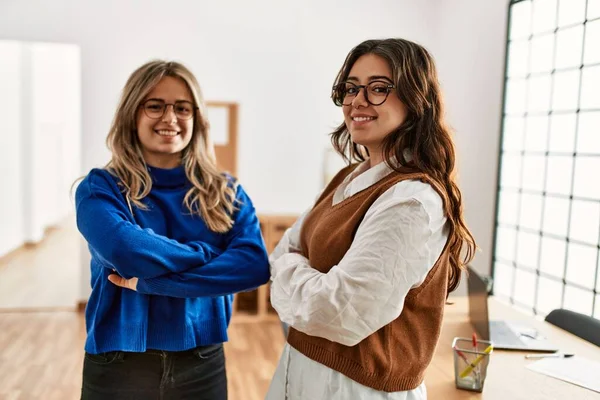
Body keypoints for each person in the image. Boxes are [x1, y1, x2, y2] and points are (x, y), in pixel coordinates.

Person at [267, 38, 476, 399]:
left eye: (379, 88)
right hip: (300, 372)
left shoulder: (412, 201)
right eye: (350, 88)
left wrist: (287, 270)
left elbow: (340, 315)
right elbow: (287, 248)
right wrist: (300, 272)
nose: (357, 101)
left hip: (356, 390)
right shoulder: (347, 178)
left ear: (416, 99)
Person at [75, 60, 270, 400]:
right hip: (119, 363)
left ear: (196, 118)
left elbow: (253, 266)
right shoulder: (99, 189)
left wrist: (154, 282)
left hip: (201, 361)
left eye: (183, 108)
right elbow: (127, 252)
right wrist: (207, 254)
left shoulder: (226, 192)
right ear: (132, 114)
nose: (170, 119)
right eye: (155, 106)